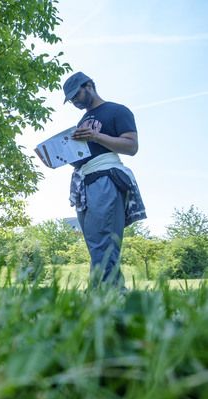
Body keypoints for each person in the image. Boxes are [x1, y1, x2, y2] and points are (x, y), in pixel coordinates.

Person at [63, 71, 146, 287]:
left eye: (76, 95)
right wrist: (59, 155)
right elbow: (85, 154)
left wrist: (95, 136)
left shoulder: (117, 111)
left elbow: (131, 146)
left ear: (89, 85)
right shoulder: (82, 120)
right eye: (70, 100)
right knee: (95, 242)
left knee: (105, 240)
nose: (74, 102)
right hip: (84, 182)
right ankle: (112, 292)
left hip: (106, 177)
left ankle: (103, 294)